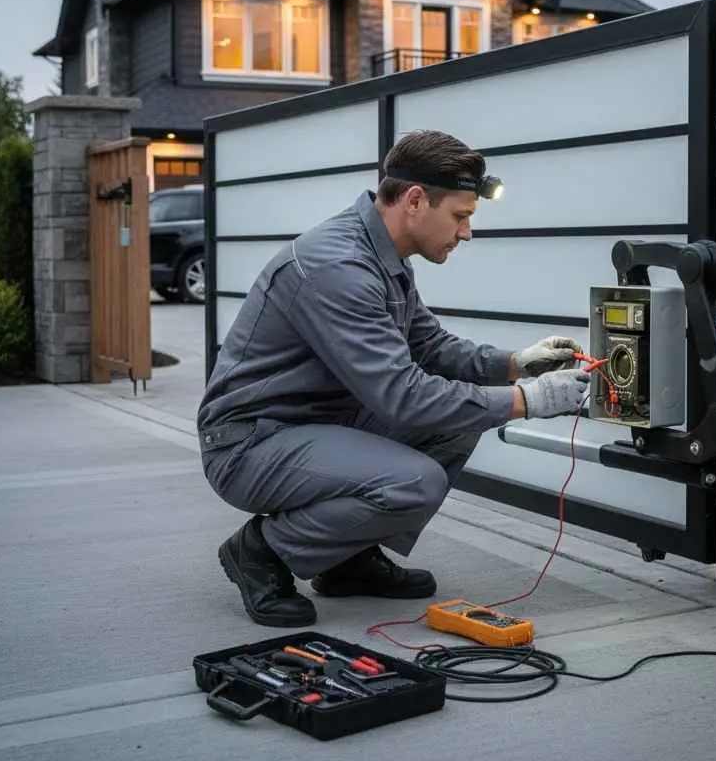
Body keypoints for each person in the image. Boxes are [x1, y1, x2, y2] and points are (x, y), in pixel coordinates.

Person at [197, 129, 590, 627]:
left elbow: (428, 345)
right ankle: (260, 551)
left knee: (459, 421)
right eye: (461, 216)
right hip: (250, 443)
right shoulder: (337, 265)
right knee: (414, 481)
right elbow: (403, 398)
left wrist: (517, 363)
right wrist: (528, 400)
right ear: (415, 200)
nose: (467, 233)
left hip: (318, 426)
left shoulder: (383, 254)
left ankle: (345, 558)